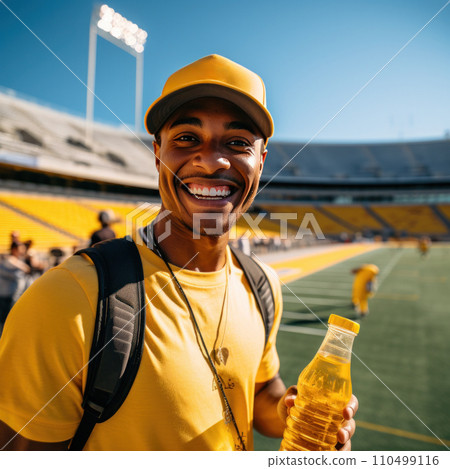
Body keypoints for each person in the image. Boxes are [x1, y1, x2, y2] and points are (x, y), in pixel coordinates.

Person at [0, 54, 358, 451]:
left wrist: (293, 414)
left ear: (261, 161)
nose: (212, 160)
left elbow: (258, 395)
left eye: (238, 143)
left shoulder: (263, 285)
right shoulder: (67, 300)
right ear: (157, 154)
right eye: (187, 138)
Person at [0, 242, 30, 336]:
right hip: (6, 295)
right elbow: (23, 270)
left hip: (14, 295)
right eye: (20, 249)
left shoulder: (18, 260)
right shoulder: (8, 260)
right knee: (5, 321)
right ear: (14, 249)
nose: (22, 251)